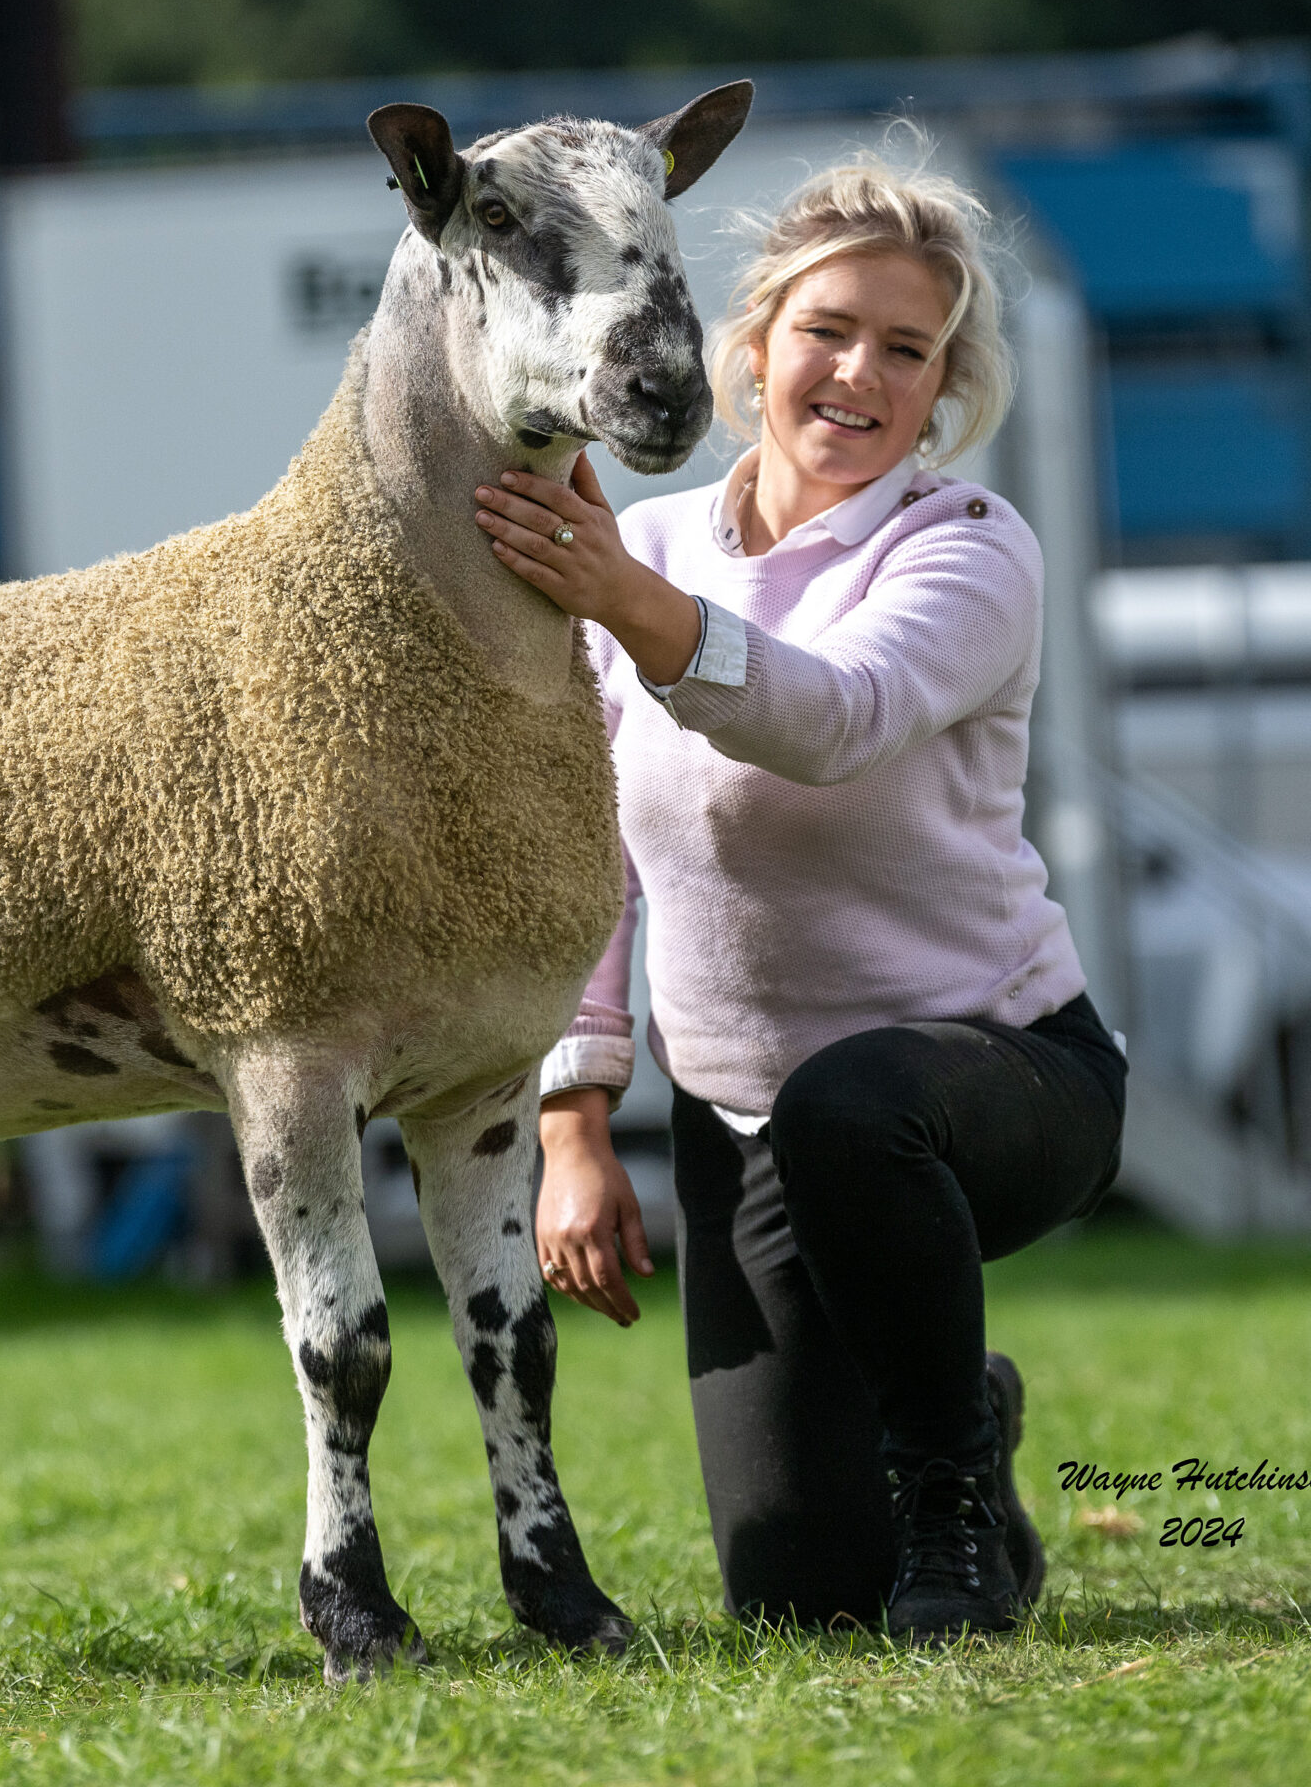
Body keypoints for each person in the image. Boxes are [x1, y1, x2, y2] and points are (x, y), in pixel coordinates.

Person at [469, 151, 1125, 1642]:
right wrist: (572, 1123)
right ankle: (978, 1420)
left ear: (946, 392)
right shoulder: (637, 547)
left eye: (909, 351)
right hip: (744, 1117)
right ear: (751, 345)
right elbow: (593, 852)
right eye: (828, 329)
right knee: (799, 1601)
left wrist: (629, 608)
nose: (861, 373)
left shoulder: (967, 548)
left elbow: (832, 721)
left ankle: (950, 1490)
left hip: (1008, 1083)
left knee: (851, 1102)